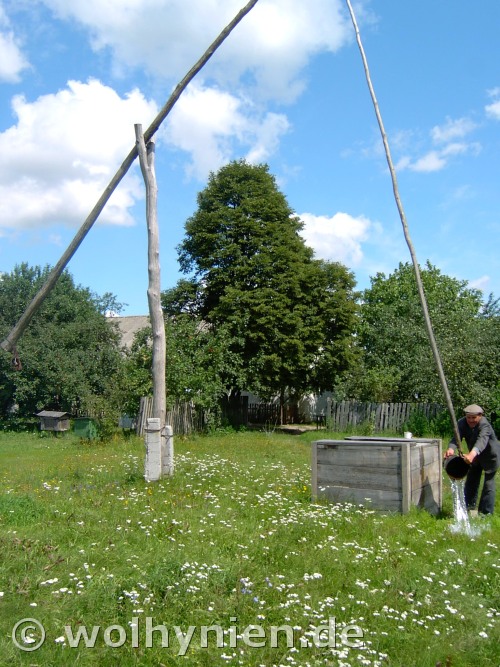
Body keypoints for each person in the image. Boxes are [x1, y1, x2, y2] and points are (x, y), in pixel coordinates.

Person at [444, 404, 500, 515]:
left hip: (490, 457)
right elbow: (456, 437)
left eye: (473, 418)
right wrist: (451, 449)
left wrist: (471, 454)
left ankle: (485, 513)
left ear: (480, 416)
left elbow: (481, 441)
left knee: (488, 485)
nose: (470, 420)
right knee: (471, 480)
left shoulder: (485, 425)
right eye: (468, 417)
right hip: (474, 458)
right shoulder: (462, 423)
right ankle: (468, 507)